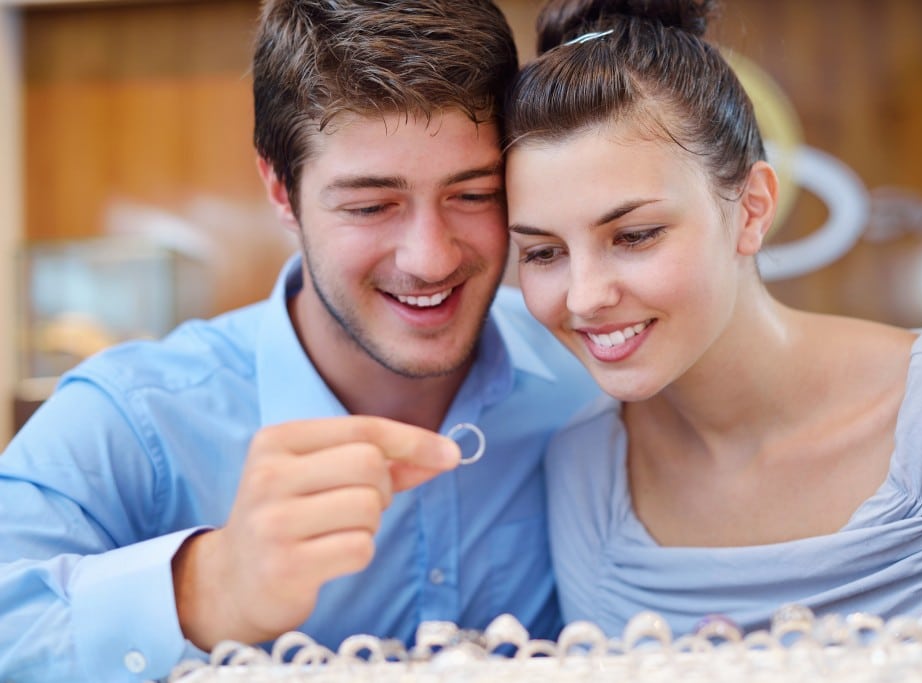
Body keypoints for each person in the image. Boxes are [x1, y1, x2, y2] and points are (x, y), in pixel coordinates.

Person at [0, 1, 599, 680]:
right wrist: (205, 589)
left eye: (474, 194)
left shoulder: (589, 372)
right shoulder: (133, 419)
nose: (430, 258)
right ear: (281, 190)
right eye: (371, 206)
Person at [503, 0, 922, 638]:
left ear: (752, 208)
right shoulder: (583, 469)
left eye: (634, 235)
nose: (583, 297)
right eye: (543, 253)